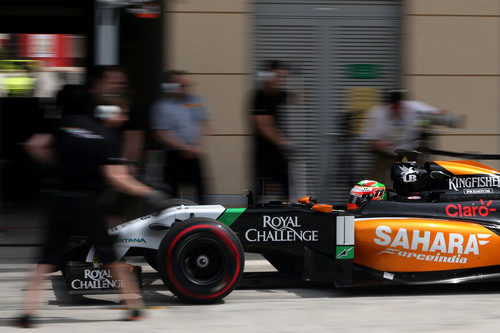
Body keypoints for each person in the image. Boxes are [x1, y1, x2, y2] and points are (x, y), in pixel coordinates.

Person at [13, 66, 167, 328]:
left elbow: (34, 146)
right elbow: (115, 177)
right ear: (103, 111)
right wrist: (148, 192)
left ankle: (29, 312)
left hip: (60, 199)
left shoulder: (62, 125)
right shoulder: (104, 136)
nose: (123, 115)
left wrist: (57, 163)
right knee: (110, 256)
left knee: (45, 258)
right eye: (121, 111)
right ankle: (134, 306)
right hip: (87, 204)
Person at [151, 70, 210, 204]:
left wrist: (198, 145)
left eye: (188, 85)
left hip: (195, 153)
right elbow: (161, 133)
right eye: (182, 85)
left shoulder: (196, 101)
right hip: (174, 154)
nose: (186, 89)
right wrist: (183, 147)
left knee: (202, 191)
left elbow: (203, 124)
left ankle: (206, 219)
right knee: (173, 192)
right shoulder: (162, 106)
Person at [366, 90, 442, 184]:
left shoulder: (414, 107)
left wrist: (437, 117)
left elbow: (439, 114)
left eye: (398, 107)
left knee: (413, 178)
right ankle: (374, 196)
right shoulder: (378, 114)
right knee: (375, 178)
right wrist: (384, 145)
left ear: (402, 104)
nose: (395, 109)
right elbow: (372, 143)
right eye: (392, 108)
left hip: (409, 150)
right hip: (386, 152)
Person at [251, 60, 291, 202]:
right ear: (267, 76)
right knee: (261, 186)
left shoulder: (277, 95)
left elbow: (298, 97)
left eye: (283, 77)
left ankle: (288, 213)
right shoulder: (260, 96)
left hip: (277, 150)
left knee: (287, 183)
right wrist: (283, 142)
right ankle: (255, 214)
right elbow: (263, 126)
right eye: (277, 76)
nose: (280, 80)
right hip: (265, 151)